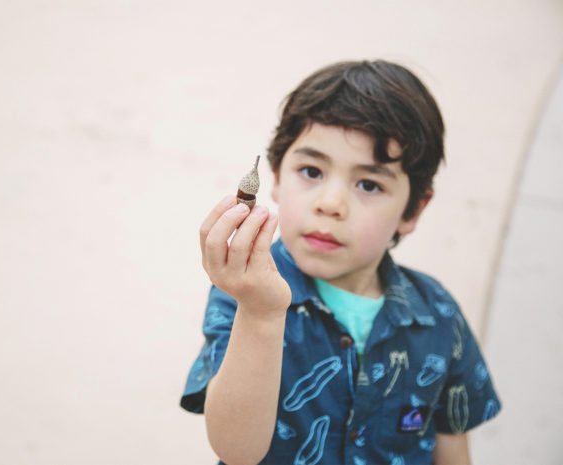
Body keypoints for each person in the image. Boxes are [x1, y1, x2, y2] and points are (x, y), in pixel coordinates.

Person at [181, 60, 500, 464]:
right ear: (277, 177)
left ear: (413, 209)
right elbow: (235, 449)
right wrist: (261, 315)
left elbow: (453, 449)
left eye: (369, 184)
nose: (330, 204)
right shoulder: (247, 292)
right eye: (311, 171)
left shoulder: (438, 314)